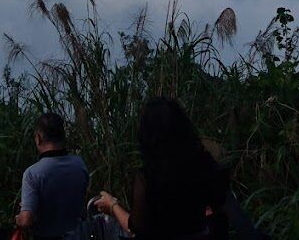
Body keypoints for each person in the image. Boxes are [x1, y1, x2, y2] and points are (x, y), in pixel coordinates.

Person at [91, 97, 229, 239]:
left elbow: (135, 228)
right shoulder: (203, 165)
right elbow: (218, 199)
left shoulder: (148, 178)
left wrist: (112, 206)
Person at [16, 111, 90, 239]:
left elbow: (26, 220)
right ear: (63, 136)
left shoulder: (32, 174)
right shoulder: (79, 163)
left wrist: (19, 219)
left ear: (38, 138)